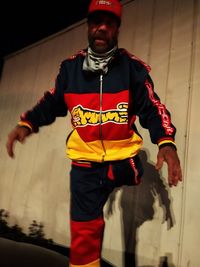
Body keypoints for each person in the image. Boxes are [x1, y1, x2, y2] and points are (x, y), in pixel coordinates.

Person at [6, 0, 182, 266]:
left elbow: (152, 107)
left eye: (109, 23)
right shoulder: (70, 69)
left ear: (117, 29)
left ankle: (122, 173)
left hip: (122, 159)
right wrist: (27, 123)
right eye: (96, 23)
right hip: (85, 162)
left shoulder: (132, 69)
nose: (102, 28)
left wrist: (166, 143)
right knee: (84, 232)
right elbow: (53, 101)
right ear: (88, 27)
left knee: (134, 176)